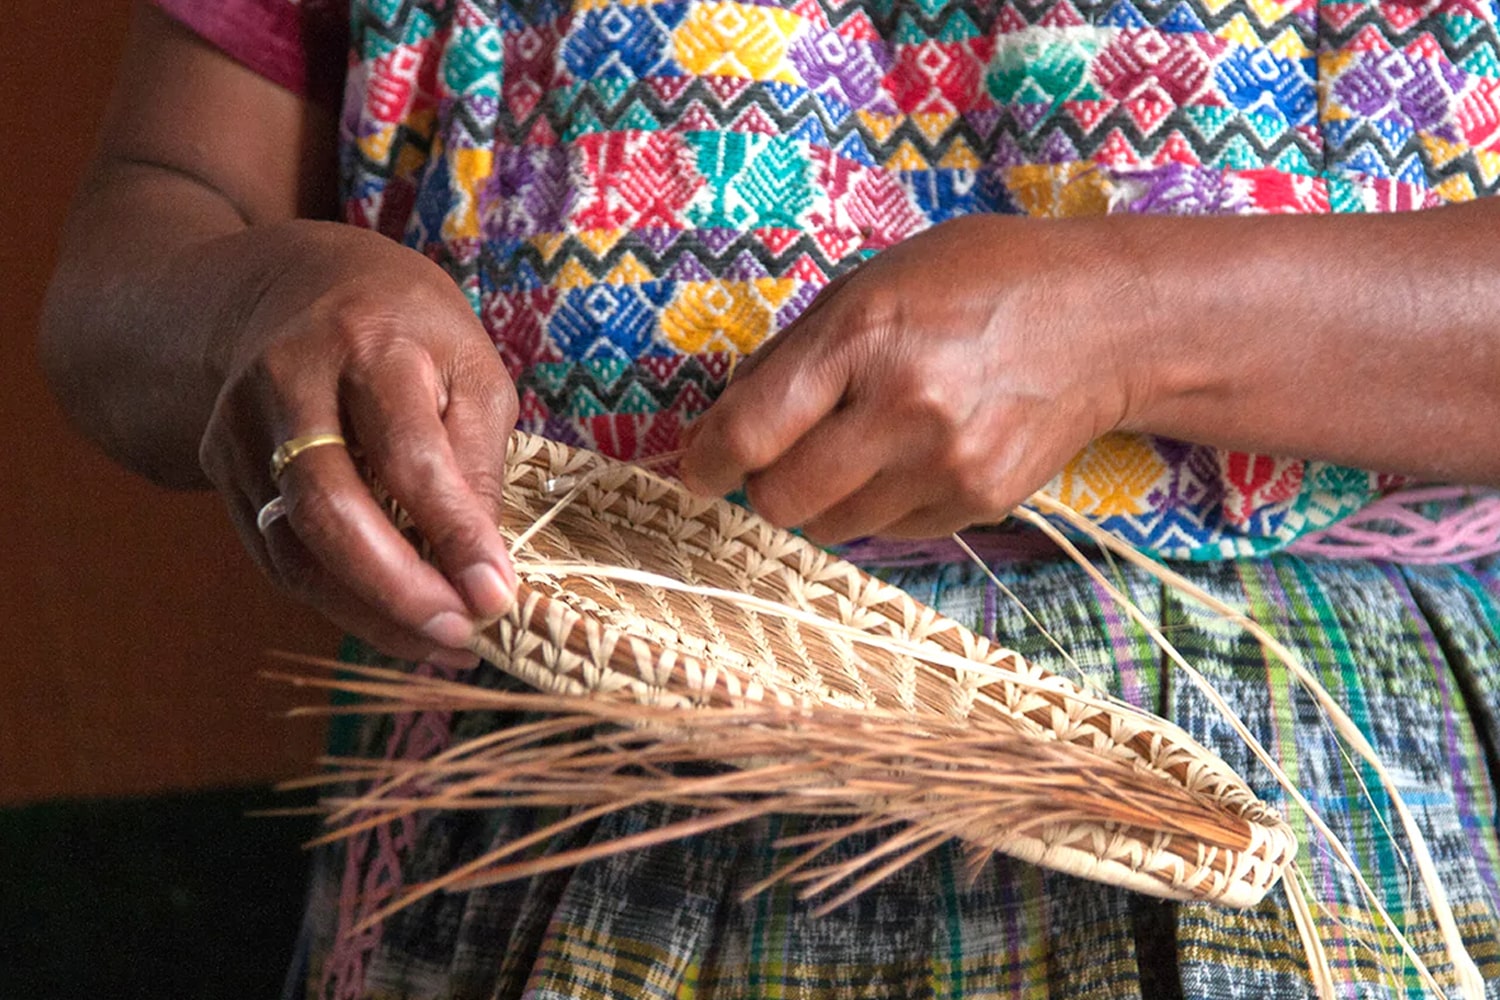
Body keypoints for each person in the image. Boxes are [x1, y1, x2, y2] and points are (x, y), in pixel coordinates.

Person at [41, 0, 1500, 996]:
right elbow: (147, 236)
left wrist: (1133, 323)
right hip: (560, 804)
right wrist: (269, 307)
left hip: (1316, 816)